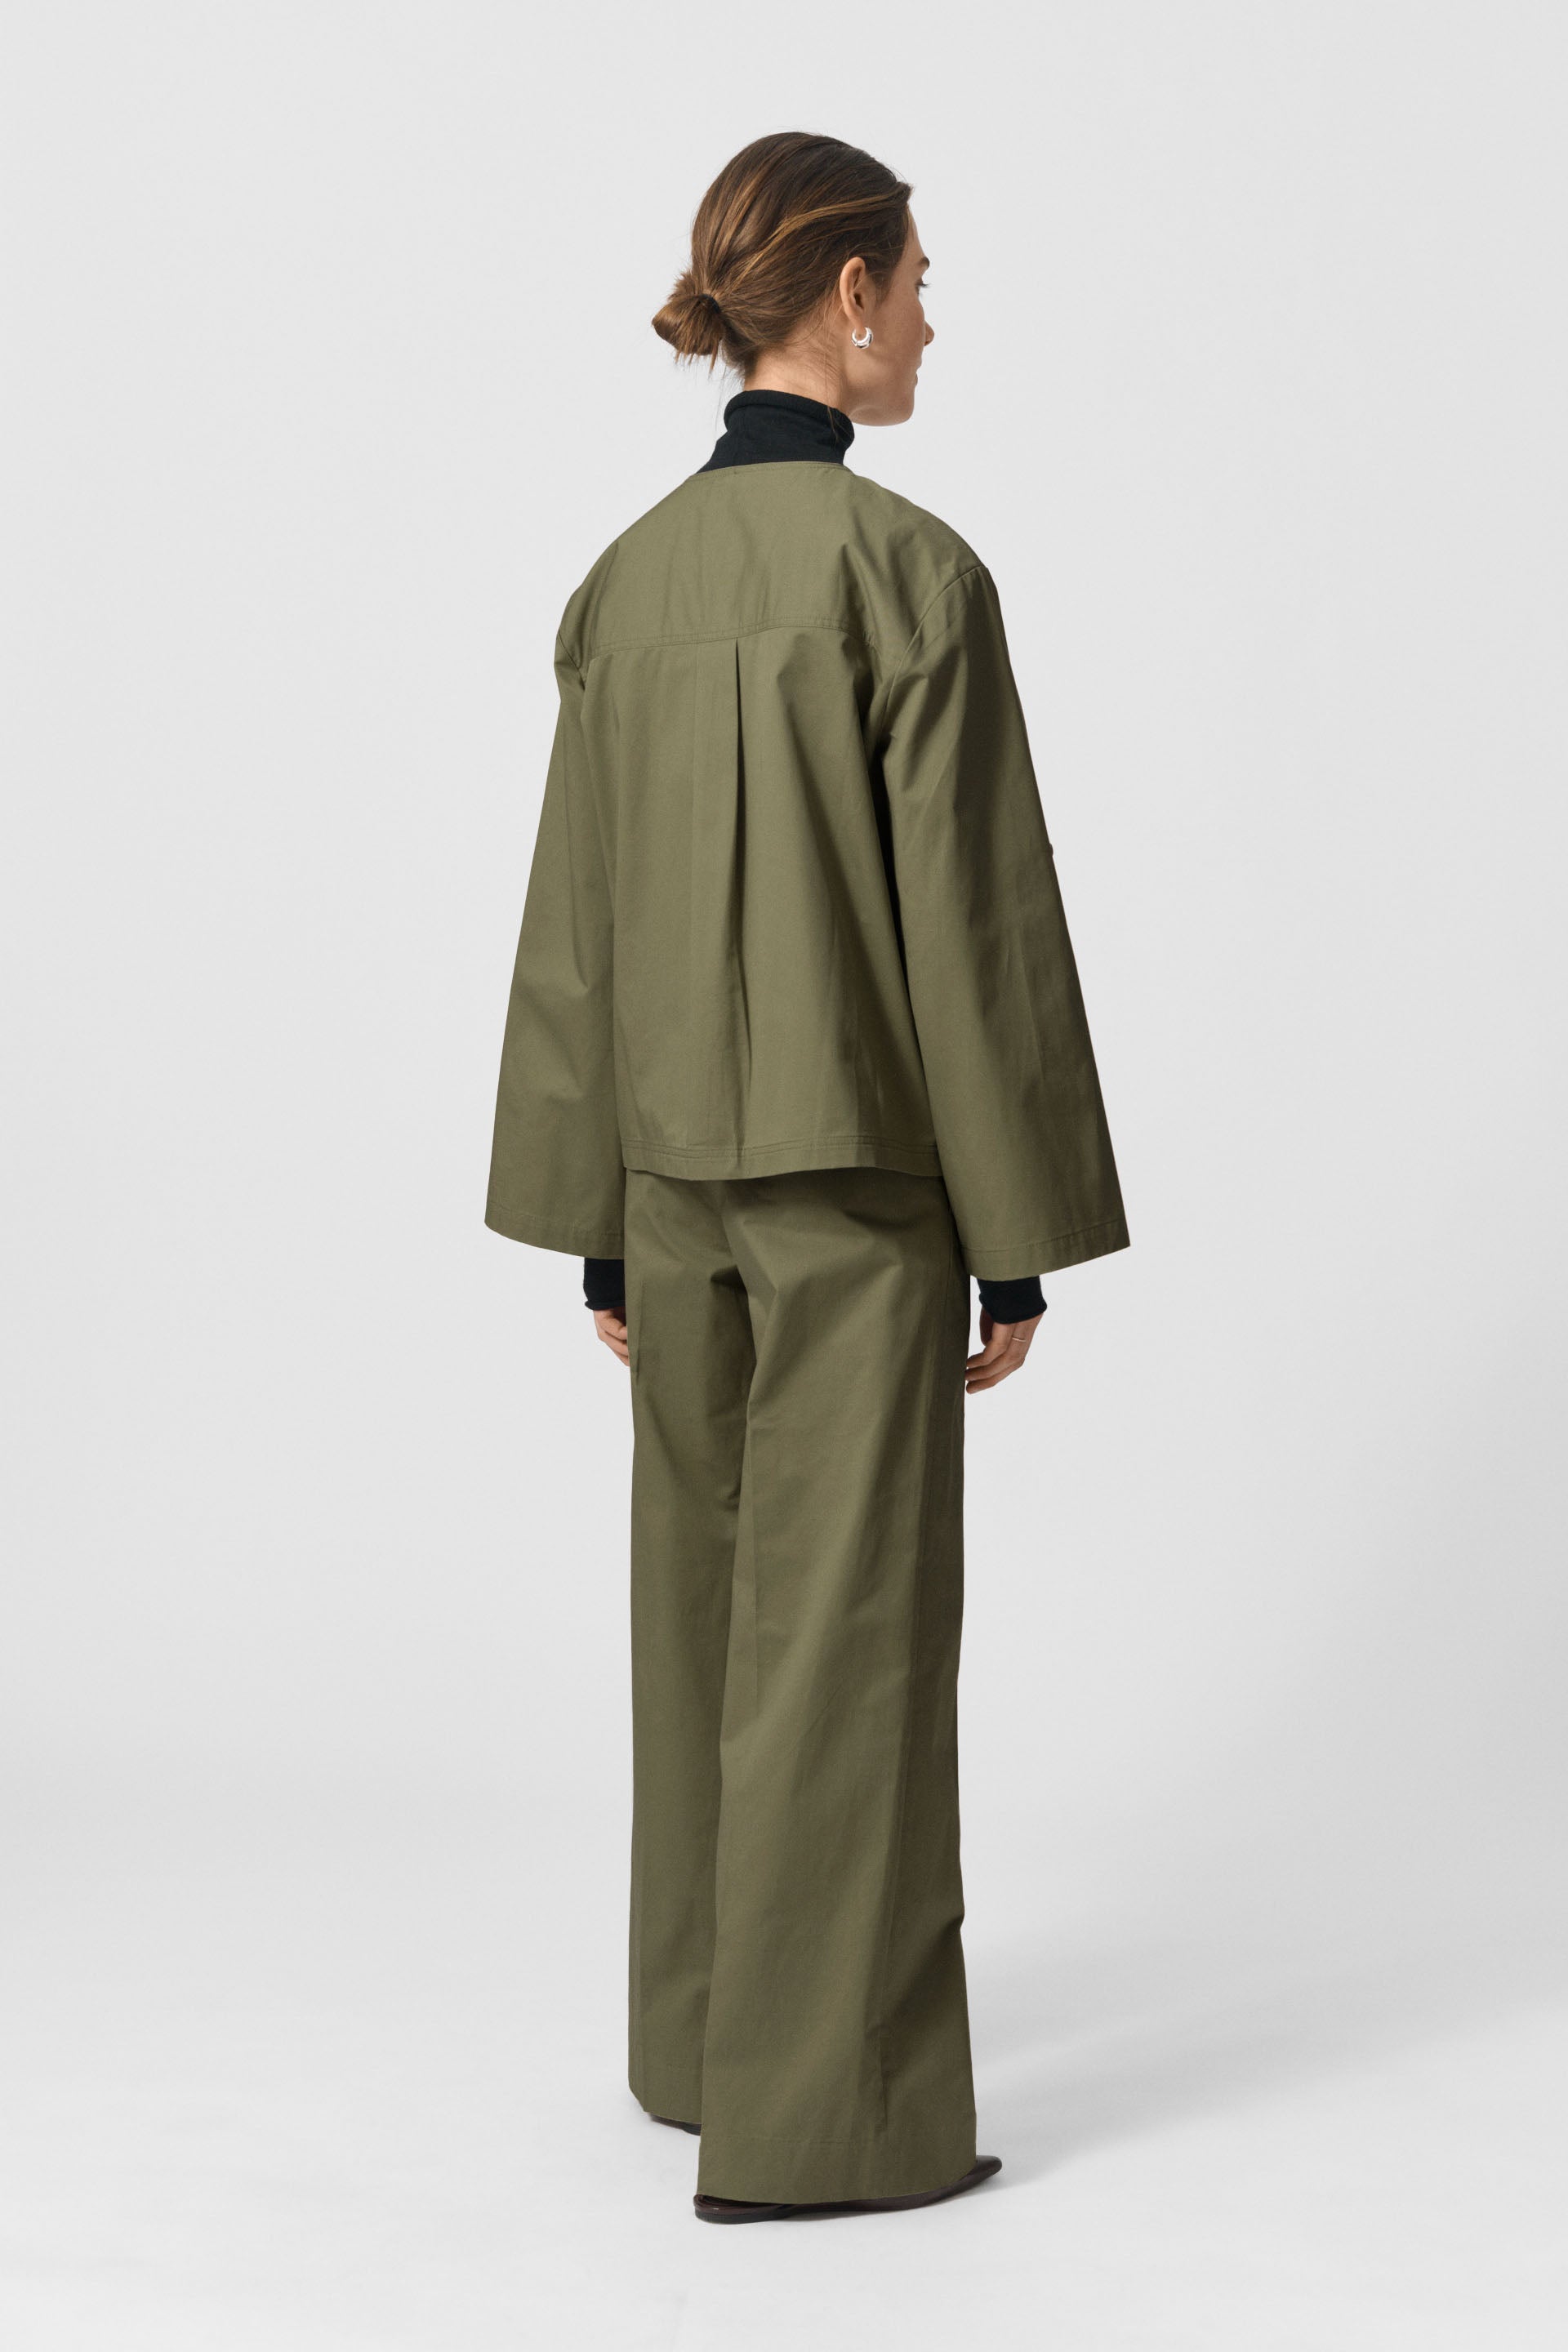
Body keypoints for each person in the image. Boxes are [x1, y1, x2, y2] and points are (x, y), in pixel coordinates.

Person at [484, 131, 1128, 2224]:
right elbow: (978, 934)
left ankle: (695, 2046)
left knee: (699, 1608)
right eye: (918, 280)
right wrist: (1017, 1248)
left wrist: (594, 1219)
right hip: (856, 1203)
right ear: (846, 297)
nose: (931, 318)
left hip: (669, 1191)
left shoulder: (624, 585)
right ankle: (823, 2124)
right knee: (846, 1635)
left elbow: (576, 927)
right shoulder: (912, 578)